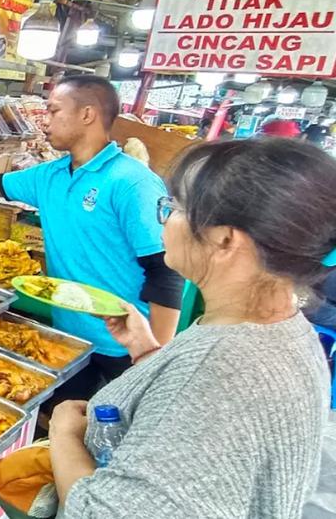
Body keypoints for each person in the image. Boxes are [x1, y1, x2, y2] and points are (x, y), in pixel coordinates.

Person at [49, 138, 331, 517]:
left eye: (175, 207)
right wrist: (148, 354)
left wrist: (63, 435)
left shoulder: (222, 374)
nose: (164, 217)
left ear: (225, 239)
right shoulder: (286, 330)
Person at [0, 75, 182, 400]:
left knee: (116, 436)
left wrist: (153, 360)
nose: (44, 122)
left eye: (53, 111)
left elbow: (165, 272)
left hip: (127, 345)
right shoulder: (53, 174)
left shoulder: (132, 183)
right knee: (66, 421)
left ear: (87, 115)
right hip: (68, 337)